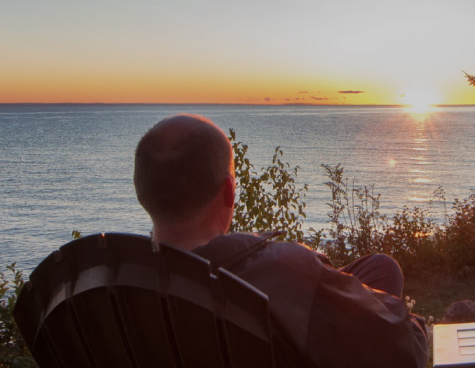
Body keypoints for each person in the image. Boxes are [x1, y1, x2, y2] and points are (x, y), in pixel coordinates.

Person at [133, 113, 429, 368]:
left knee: (380, 268)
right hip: (297, 315)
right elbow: (406, 352)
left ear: (141, 192)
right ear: (229, 192)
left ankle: (340, 293)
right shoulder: (284, 270)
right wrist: (418, 326)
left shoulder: (112, 286)